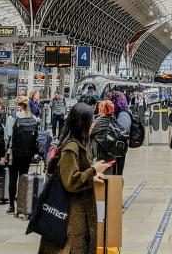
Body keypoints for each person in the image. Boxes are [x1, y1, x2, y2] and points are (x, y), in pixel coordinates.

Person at [37, 103, 112, 253]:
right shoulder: (71, 148)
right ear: (81, 124)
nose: (94, 124)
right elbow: (71, 181)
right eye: (91, 121)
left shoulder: (78, 144)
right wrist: (93, 170)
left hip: (77, 213)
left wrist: (93, 177)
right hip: (71, 216)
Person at [4, 96, 39, 215]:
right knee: (24, 178)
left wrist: (5, 153)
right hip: (28, 153)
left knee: (13, 179)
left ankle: (11, 207)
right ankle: (22, 205)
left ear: (17, 104)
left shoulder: (12, 117)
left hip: (14, 153)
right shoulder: (33, 117)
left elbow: (7, 137)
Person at [90, 100, 127, 175]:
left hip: (98, 156)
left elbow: (89, 135)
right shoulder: (114, 122)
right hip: (111, 155)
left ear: (102, 109)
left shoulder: (97, 122)